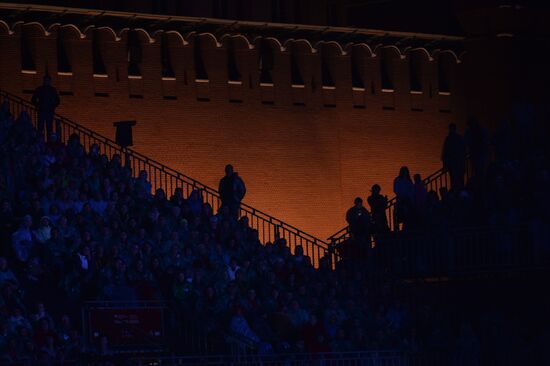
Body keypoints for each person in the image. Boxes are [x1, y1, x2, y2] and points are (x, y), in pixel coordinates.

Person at [31, 74, 60, 140]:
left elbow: (57, 101)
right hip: (42, 111)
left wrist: (53, 106)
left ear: (50, 81)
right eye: (46, 80)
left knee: (49, 128)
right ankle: (40, 141)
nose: (47, 81)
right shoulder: (40, 89)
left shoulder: (52, 90)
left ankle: (48, 142)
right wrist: (38, 105)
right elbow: (33, 99)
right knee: (41, 127)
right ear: (44, 81)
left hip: (49, 111)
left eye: (48, 80)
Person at [441, 123, 466, 192]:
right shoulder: (449, 139)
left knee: (458, 180)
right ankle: (456, 192)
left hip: (457, 163)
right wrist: (445, 164)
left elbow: (463, 151)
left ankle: (459, 192)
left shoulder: (457, 138)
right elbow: (445, 152)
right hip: (453, 164)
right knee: (454, 180)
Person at [393, 167, 414, 231]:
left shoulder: (409, 180)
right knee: (400, 214)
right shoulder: (397, 179)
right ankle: (399, 228)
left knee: (407, 214)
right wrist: (401, 195)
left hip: (408, 199)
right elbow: (395, 189)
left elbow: (411, 189)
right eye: (403, 171)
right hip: (401, 199)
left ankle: (406, 228)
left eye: (406, 171)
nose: (405, 172)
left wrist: (409, 196)